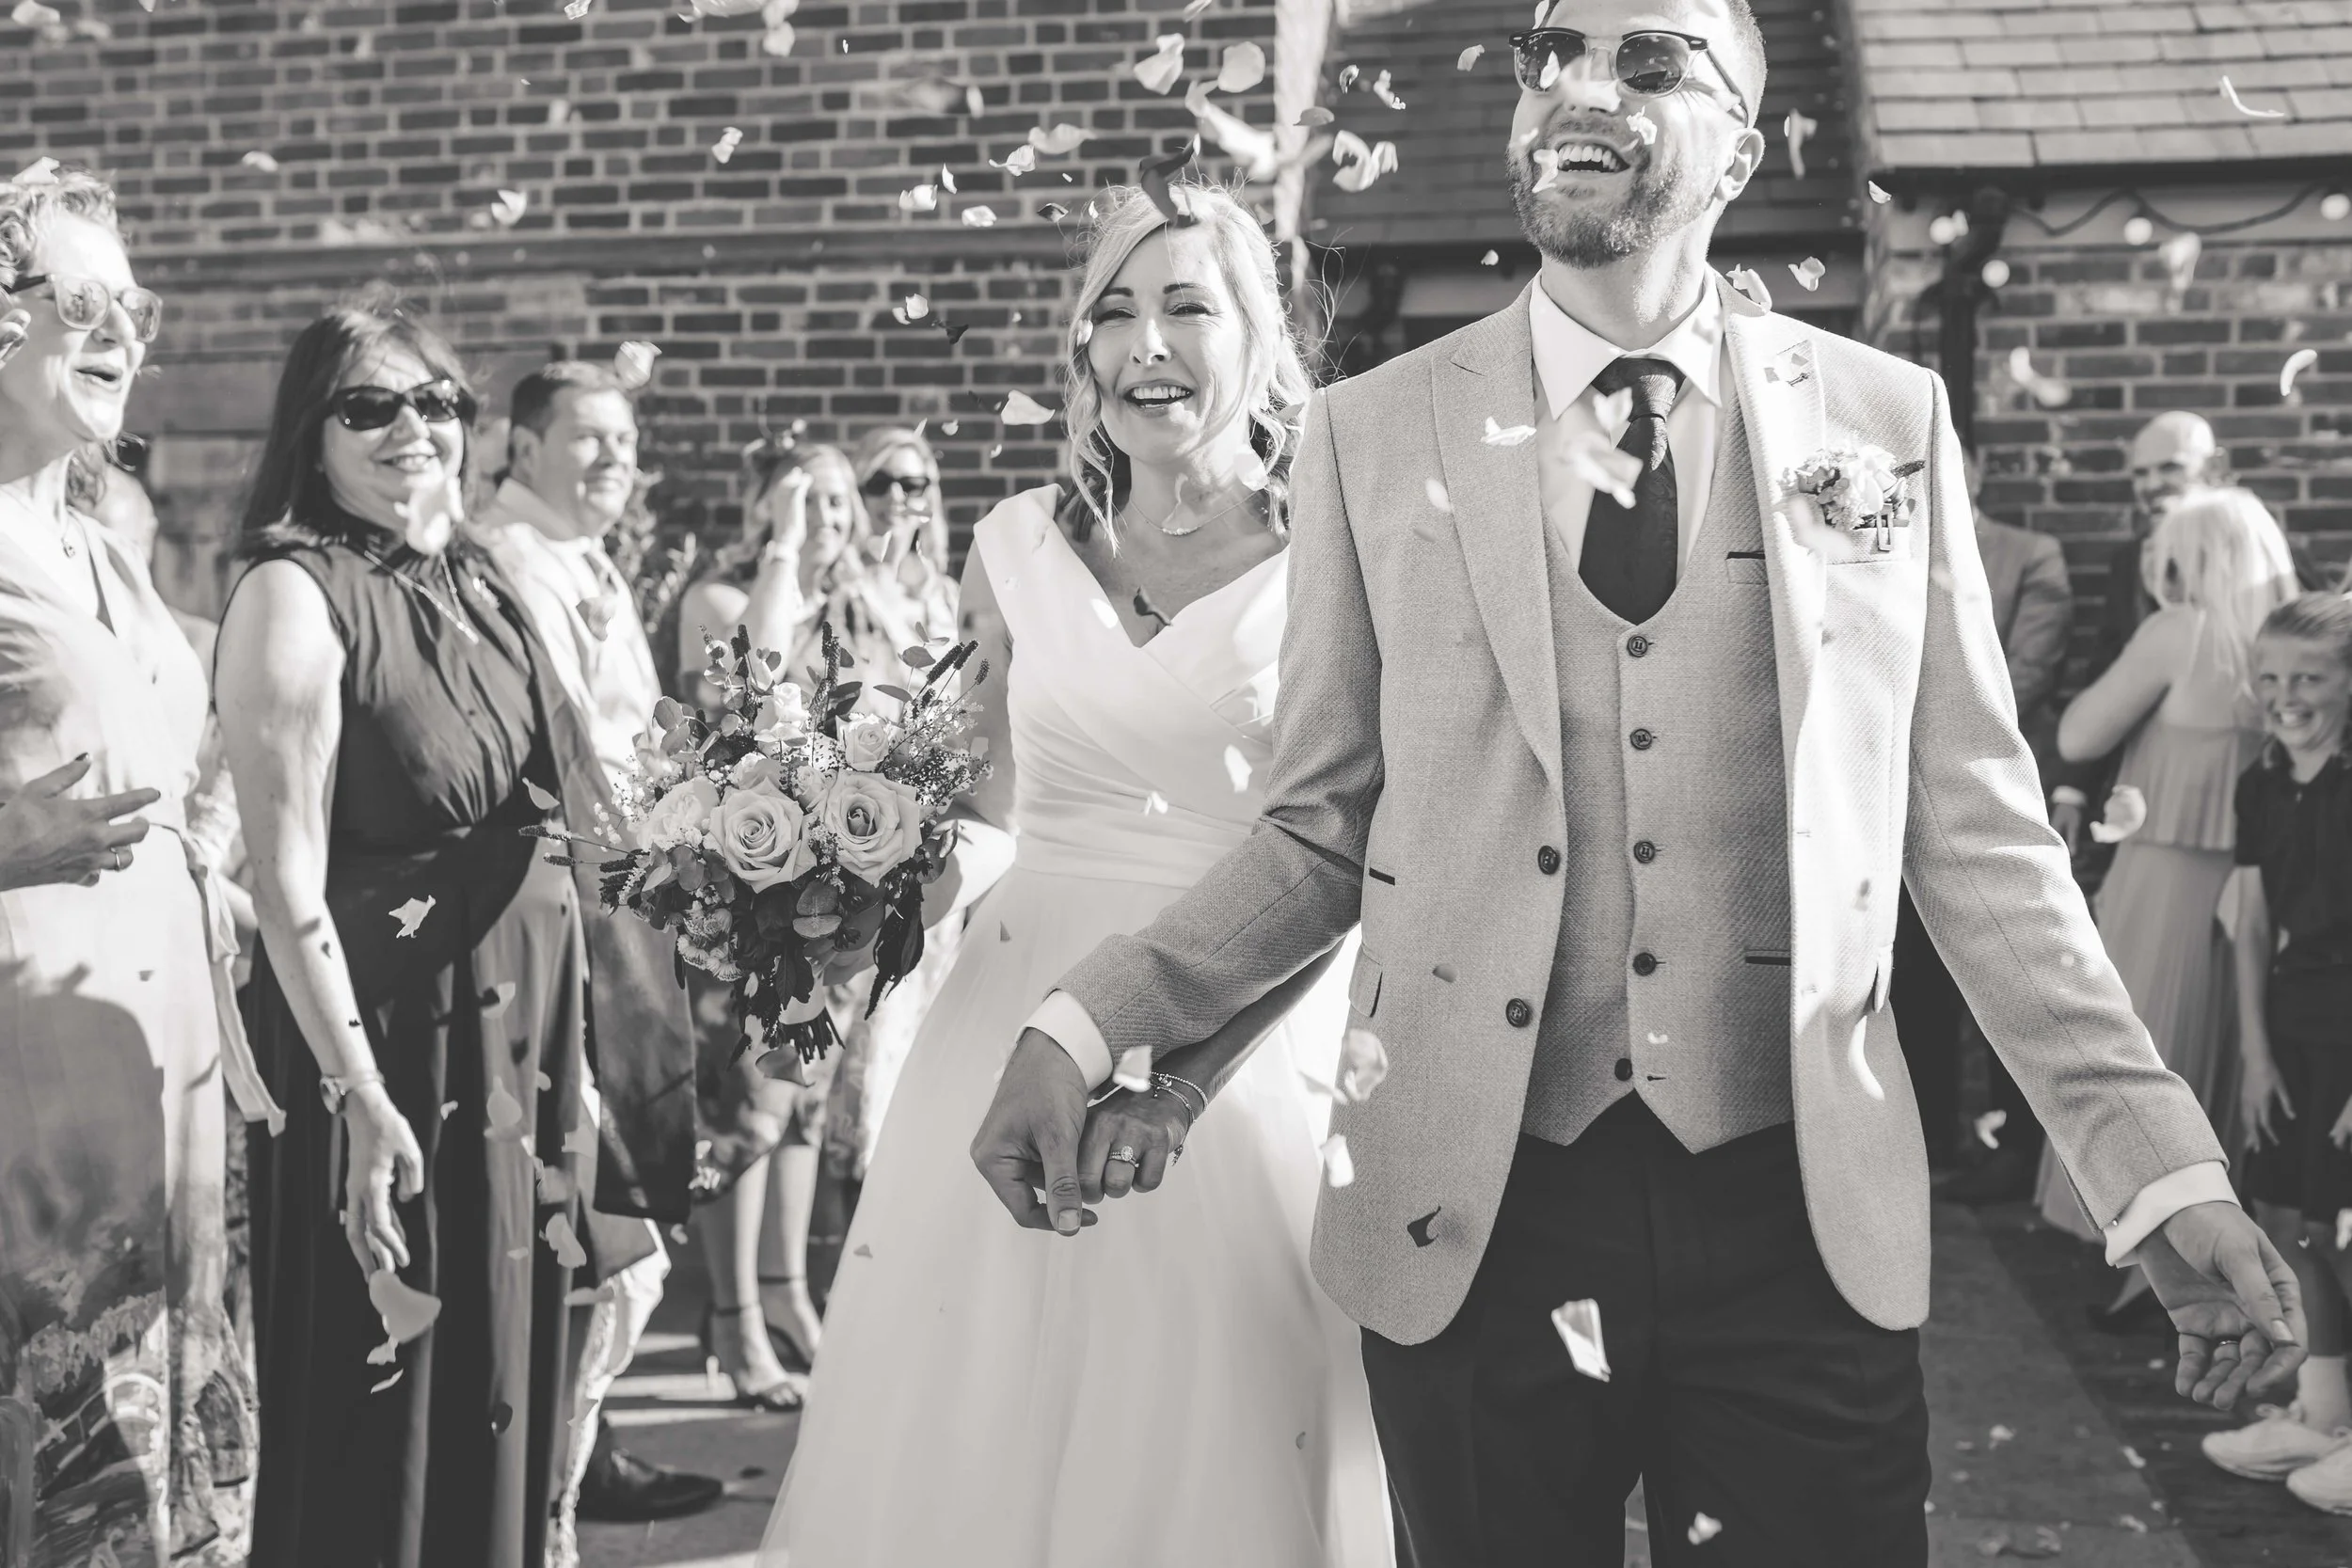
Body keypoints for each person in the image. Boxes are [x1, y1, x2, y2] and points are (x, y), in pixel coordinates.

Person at [971, 5, 2312, 1561]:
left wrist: (2158, 1176)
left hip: (1801, 1220)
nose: (1581, 84)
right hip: (1474, 1216)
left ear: (1744, 149)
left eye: (1651, 58)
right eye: (1553, 51)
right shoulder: (1369, 433)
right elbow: (1319, 830)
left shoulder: (1880, 428)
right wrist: (1093, 1021)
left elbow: (1985, 849)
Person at [761, 182, 1393, 1567]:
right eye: (1112, 312)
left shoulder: (1337, 551)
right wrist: (869, 900)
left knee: (1205, 1420)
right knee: (971, 1419)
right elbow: (993, 807)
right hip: (1007, 1007)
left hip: (1227, 1018)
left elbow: (1342, 836)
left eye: (1186, 306)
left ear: (1263, 336)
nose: (1144, 343)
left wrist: (1175, 1053)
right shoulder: (1012, 545)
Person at [215, 298, 694, 1568]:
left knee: (507, 1372)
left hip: (521, 1054)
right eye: (367, 405)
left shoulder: (482, 579)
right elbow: (285, 884)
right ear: (310, 434)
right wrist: (359, 1095)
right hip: (391, 1059)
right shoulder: (292, 593)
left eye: (434, 401)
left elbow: (587, 799)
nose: (407, 427)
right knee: (394, 1396)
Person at [0, 164, 278, 1568]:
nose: (125, 333)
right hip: (26, 1107)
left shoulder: (96, 541)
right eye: (86, 302)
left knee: (153, 1458)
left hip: (159, 1074)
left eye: (138, 306)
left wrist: (203, 873)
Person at [465, 360, 721, 1544]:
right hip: (568, 904)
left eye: (626, 439)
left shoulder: (590, 561)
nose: (615, 458)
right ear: (520, 447)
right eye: (587, 437)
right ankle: (556, 1477)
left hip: (629, 887)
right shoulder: (508, 561)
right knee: (599, 1196)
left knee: (621, 1185)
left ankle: (586, 1446)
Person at [2034, 488, 2296, 1325]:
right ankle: (2220, 1236)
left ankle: (2150, 1246)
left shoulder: (2180, 631)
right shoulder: (2287, 637)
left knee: (2145, 1039)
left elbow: (2078, 733)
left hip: (2166, 873)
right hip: (2252, 877)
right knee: (2222, 1034)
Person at [2201, 593, 2352, 1511]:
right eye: (2268, 678)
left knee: (2347, 1232)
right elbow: (2251, 922)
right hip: (2293, 1020)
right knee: (2292, 1220)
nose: (2283, 695)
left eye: (2307, 677)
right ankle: (2320, 1409)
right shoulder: (2259, 781)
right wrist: (2255, 1053)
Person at [1893, 450, 2073, 1184]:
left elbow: (2029, 666)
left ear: (1978, 473)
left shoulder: (2032, 556)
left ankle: (2012, 1158)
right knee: (1915, 983)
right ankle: (1927, 1148)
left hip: (1991, 784)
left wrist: (1942, 741)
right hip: (1889, 797)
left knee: (2013, 970)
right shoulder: (1877, 542)